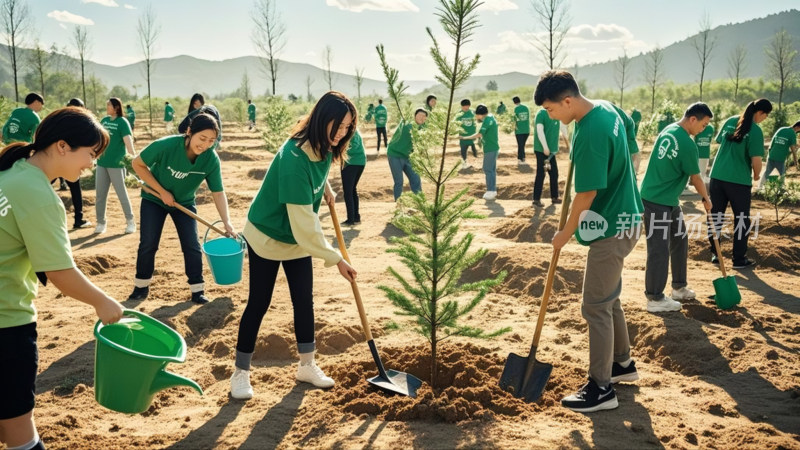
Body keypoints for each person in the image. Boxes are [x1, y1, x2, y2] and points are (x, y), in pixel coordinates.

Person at [0, 107, 124, 450]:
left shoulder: (13, 173)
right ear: (62, 147)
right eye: (90, 154)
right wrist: (103, 302)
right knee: (19, 433)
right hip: (6, 321)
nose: (91, 165)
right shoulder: (39, 195)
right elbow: (59, 272)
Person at [230, 91, 358, 399]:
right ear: (322, 120)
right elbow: (305, 228)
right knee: (259, 303)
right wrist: (337, 257)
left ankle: (307, 365)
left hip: (296, 238)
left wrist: (324, 186)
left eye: (347, 128)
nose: (342, 134)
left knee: (304, 300)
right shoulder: (293, 158)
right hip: (268, 235)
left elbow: (316, 171)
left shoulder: (325, 146)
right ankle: (240, 373)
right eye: (338, 126)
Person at [535, 70, 642, 413]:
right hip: (627, 217)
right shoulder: (605, 109)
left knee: (594, 306)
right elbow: (629, 130)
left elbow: (587, 194)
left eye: (551, 110)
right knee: (608, 299)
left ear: (567, 101)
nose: (551, 117)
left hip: (611, 227)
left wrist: (564, 233)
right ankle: (622, 364)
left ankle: (601, 388)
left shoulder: (590, 133)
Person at [127, 113, 236, 305]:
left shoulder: (211, 159)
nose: (205, 145)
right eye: (201, 138)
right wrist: (162, 192)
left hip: (184, 202)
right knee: (148, 243)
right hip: (154, 199)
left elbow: (218, 192)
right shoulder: (167, 145)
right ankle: (140, 286)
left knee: (192, 245)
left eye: (211, 141)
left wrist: (227, 222)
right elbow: (138, 164)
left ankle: (197, 289)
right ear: (189, 132)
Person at [640, 103, 714, 313]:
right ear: (693, 119)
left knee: (680, 238)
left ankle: (679, 287)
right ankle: (654, 298)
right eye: (703, 124)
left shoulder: (669, 129)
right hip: (656, 200)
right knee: (659, 248)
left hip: (669, 200)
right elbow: (696, 177)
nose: (703, 129)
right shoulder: (687, 144)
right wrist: (706, 199)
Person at [707, 98, 772, 269]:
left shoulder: (730, 120)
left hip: (717, 177)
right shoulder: (756, 131)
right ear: (761, 113)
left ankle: (716, 254)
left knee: (716, 216)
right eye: (765, 116)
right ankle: (738, 259)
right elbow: (756, 160)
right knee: (742, 219)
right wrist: (757, 176)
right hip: (738, 182)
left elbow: (719, 141)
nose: (764, 119)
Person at [94, 97, 136, 235]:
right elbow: (99, 139)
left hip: (117, 165)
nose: (107, 107)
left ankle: (130, 222)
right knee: (100, 195)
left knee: (121, 194)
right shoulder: (104, 121)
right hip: (102, 164)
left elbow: (128, 142)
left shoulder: (122, 122)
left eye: (109, 105)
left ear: (116, 107)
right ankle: (101, 222)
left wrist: (132, 161)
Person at [63, 98, 92, 229]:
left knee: (44, 183)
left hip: (56, 159)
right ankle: (78, 220)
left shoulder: (61, 118)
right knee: (75, 189)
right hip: (71, 160)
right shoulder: (80, 120)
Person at [461, 104, 499, 200]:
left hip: (490, 148)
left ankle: (490, 190)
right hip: (493, 147)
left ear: (480, 114)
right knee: (491, 170)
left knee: (487, 169)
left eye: (476, 115)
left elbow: (479, 134)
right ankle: (492, 190)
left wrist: (465, 137)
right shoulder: (491, 118)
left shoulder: (487, 120)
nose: (476, 117)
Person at [387, 108, 426, 201]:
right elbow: (414, 135)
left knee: (416, 179)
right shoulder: (407, 123)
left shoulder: (423, 127)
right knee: (399, 181)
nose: (421, 118)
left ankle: (420, 203)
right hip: (395, 154)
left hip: (408, 156)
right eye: (419, 115)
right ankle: (399, 205)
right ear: (414, 115)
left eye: (424, 116)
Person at [757, 120, 799, 191]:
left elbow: (772, 142)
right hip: (780, 158)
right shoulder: (792, 133)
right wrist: (795, 160)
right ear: (797, 127)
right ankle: (781, 189)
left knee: (767, 172)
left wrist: (770, 153)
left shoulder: (781, 129)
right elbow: (793, 149)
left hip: (771, 155)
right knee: (782, 173)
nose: (798, 132)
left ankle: (760, 187)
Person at [532, 106, 562, 207]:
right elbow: (540, 131)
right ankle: (536, 199)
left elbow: (562, 127)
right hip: (542, 150)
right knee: (541, 174)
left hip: (552, 151)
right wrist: (545, 147)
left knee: (554, 173)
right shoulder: (541, 114)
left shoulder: (556, 112)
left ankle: (555, 197)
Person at [341, 129, 366, 225]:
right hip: (360, 162)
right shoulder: (355, 130)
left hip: (351, 163)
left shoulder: (347, 131)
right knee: (352, 189)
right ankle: (356, 217)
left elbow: (352, 147)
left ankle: (350, 219)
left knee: (348, 191)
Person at [456, 99, 478, 169]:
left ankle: (477, 160)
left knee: (474, 148)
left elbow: (476, 122)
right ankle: (464, 163)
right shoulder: (459, 114)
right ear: (461, 106)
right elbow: (456, 124)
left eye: (467, 106)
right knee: (463, 150)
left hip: (472, 135)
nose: (466, 108)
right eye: (464, 106)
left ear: (469, 106)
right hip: (463, 136)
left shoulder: (472, 113)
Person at [513, 96, 530, 164]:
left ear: (514, 102)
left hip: (519, 130)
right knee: (522, 145)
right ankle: (521, 158)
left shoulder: (516, 109)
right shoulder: (526, 108)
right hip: (526, 130)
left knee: (521, 145)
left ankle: (521, 159)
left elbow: (514, 119)